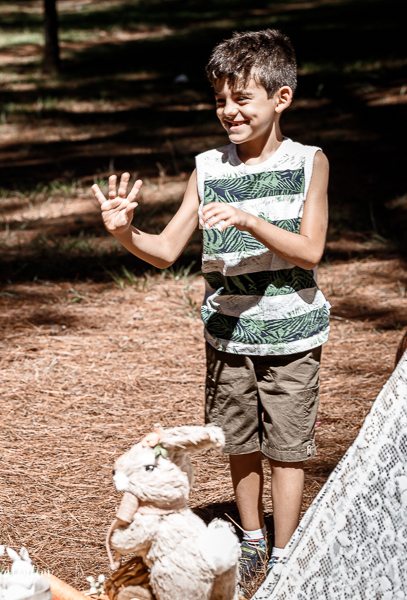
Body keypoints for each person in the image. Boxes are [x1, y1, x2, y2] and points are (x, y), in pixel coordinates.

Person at [91, 30, 329, 583]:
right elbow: (166, 250)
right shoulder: (208, 168)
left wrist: (249, 219)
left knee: (287, 446)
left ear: (281, 99)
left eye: (242, 98)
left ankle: (287, 551)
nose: (229, 110)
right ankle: (251, 538)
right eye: (220, 99)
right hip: (227, 335)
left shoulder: (310, 163)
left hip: (293, 334)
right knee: (239, 439)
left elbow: (310, 249)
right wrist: (126, 233)